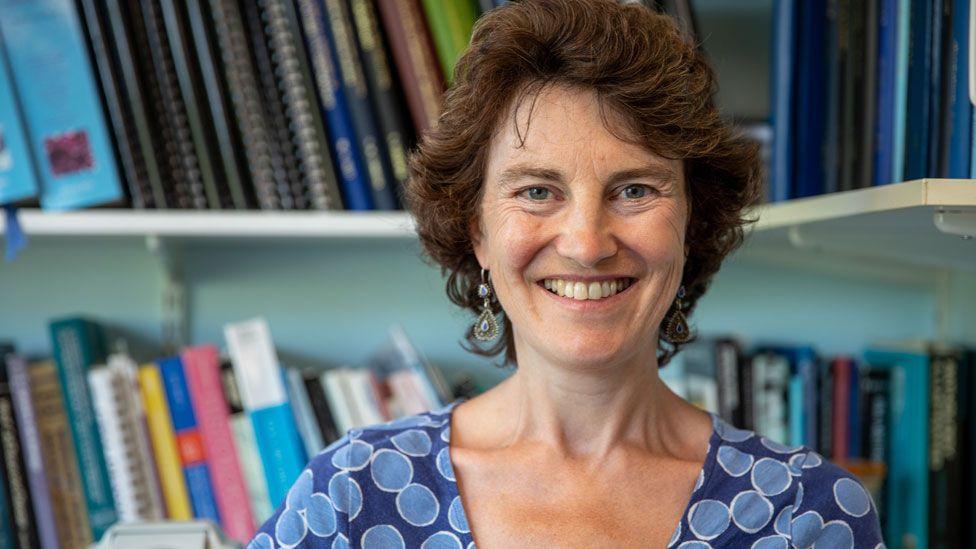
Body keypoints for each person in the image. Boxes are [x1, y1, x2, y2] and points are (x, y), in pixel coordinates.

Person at [248, 0, 885, 547]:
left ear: (693, 223)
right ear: (477, 231)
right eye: (536, 191)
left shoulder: (805, 514)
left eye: (635, 190)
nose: (586, 244)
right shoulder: (354, 497)